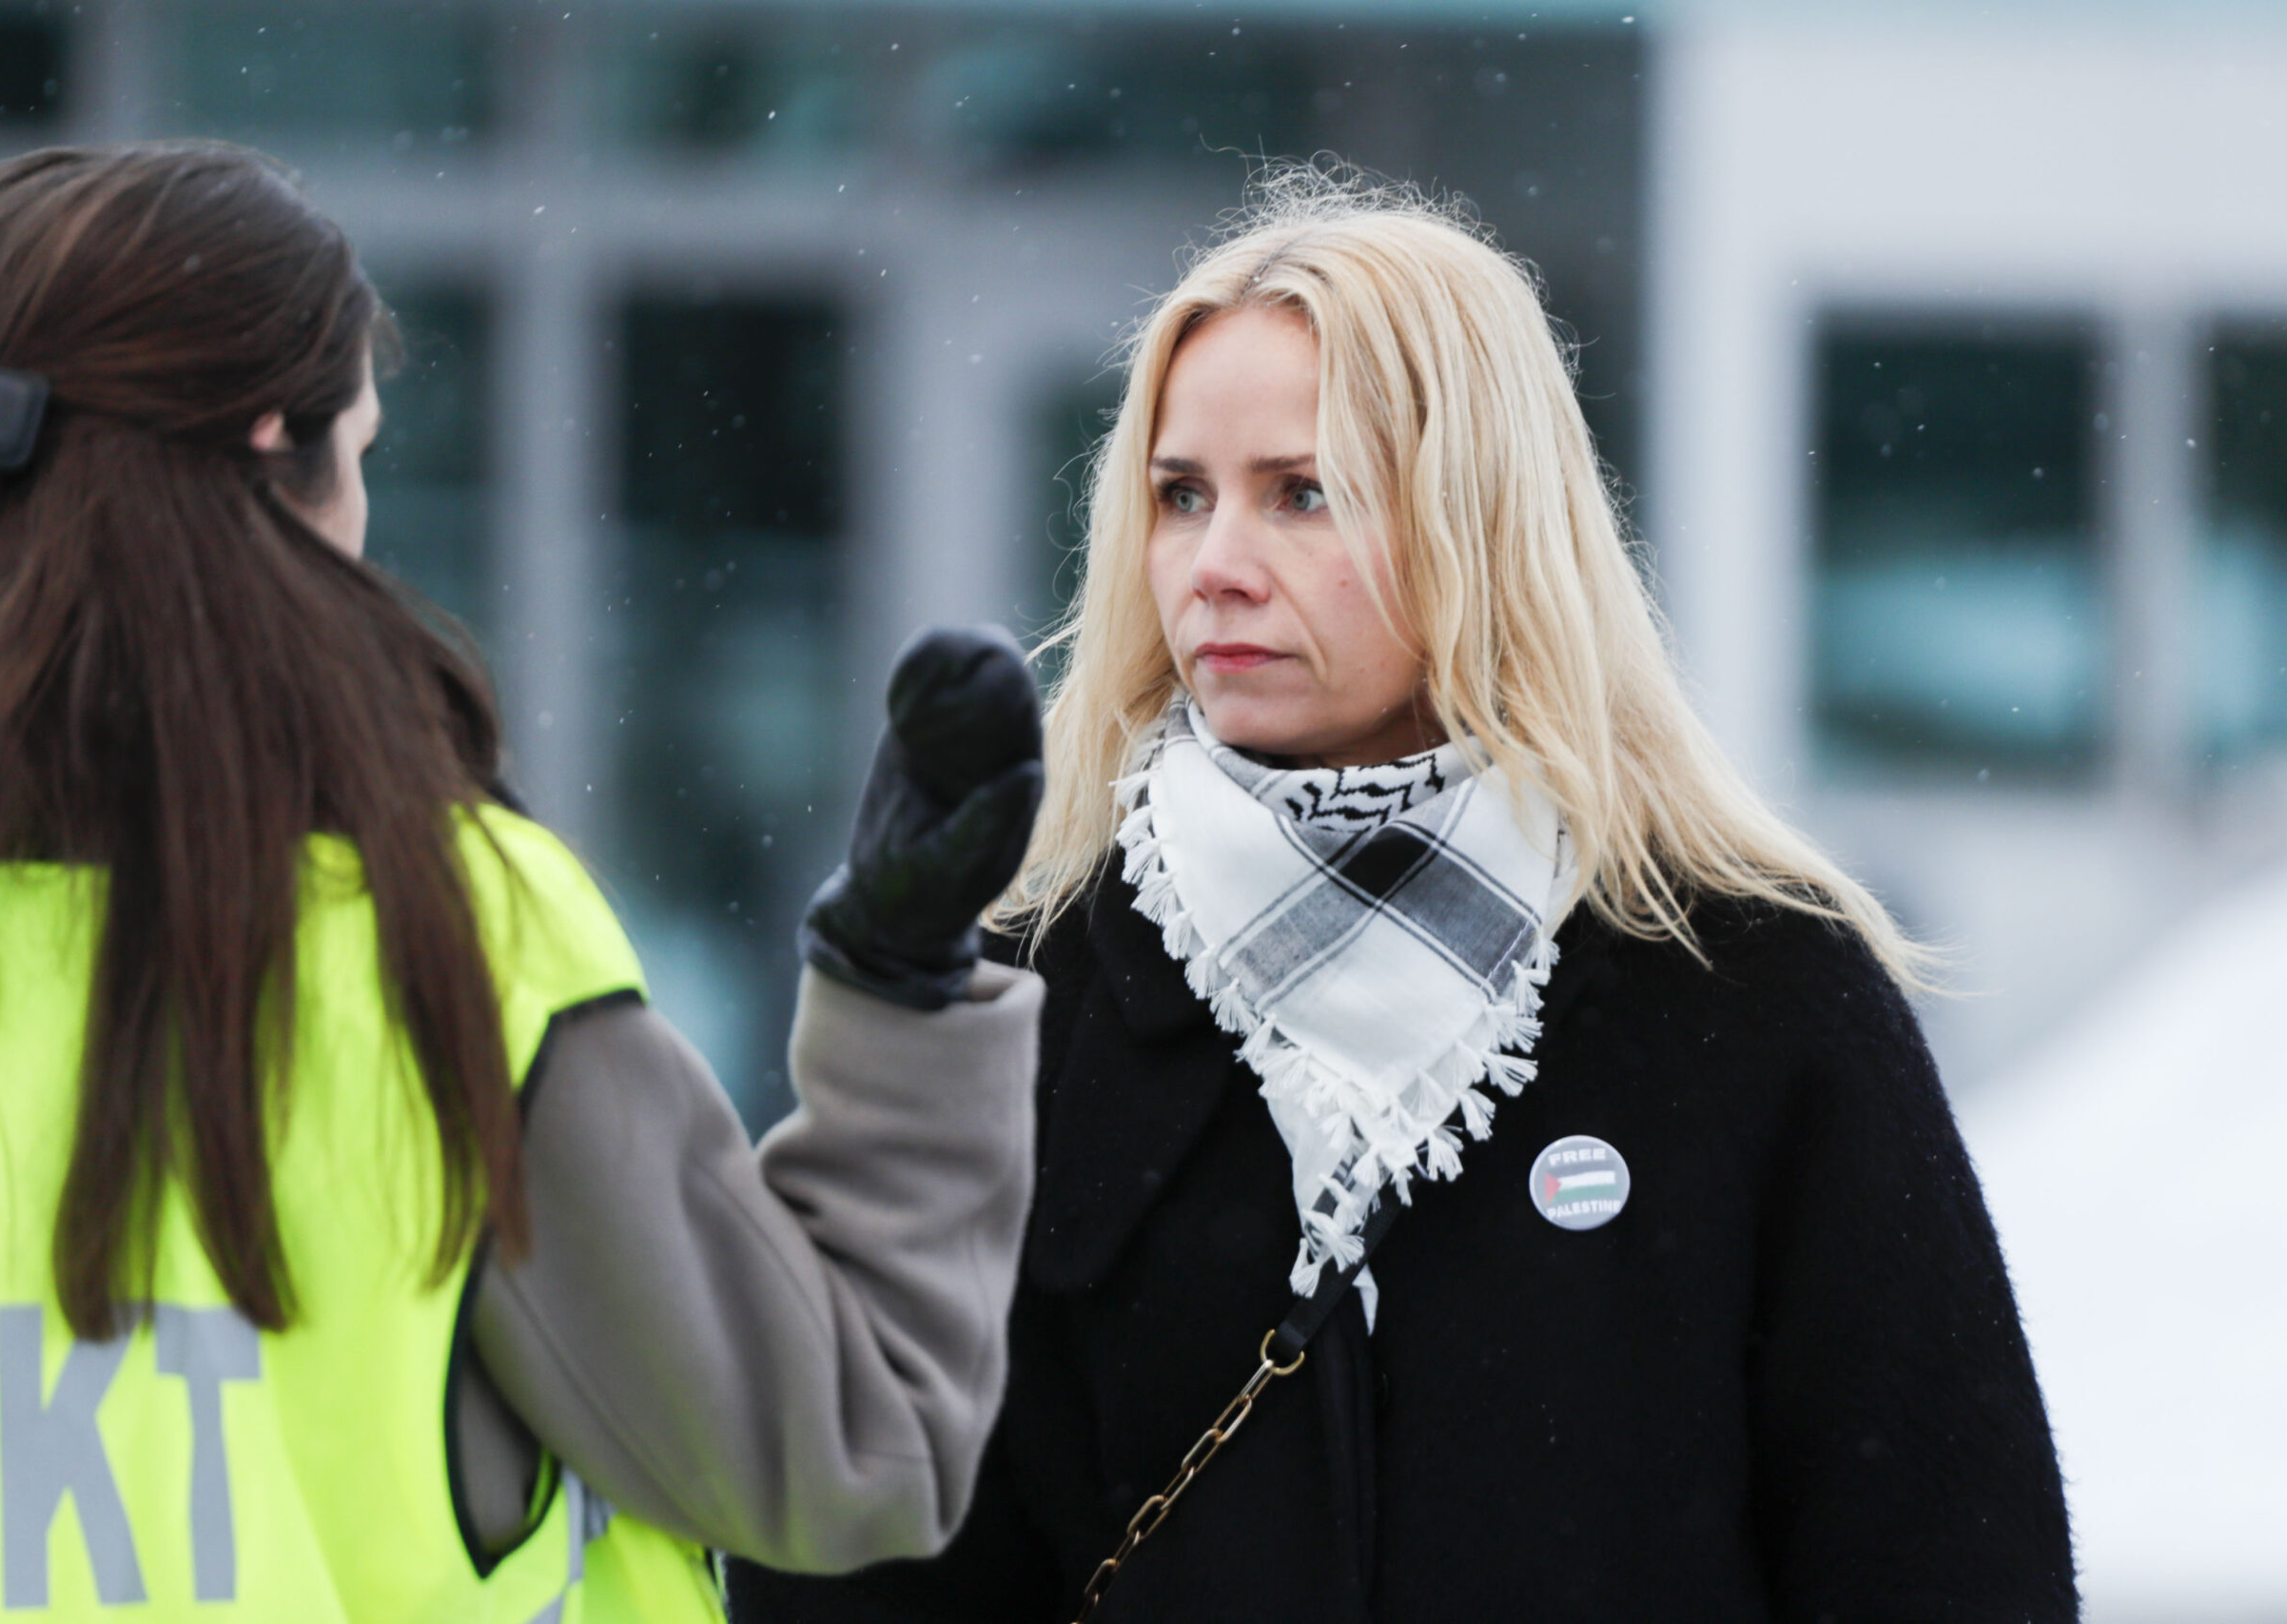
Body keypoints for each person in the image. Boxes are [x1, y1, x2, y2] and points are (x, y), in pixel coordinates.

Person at [727, 167, 2076, 1623]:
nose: (1217, 568)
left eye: (1304, 495)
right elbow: (847, 1555)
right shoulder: (1028, 999)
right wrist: (884, 1020)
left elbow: (1948, 1559)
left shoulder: (1746, 987)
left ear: (1475, 521)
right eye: (1182, 497)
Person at [0, 142, 1047, 1622]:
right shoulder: (432, 948)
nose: (363, 521)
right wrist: (900, 986)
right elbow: (848, 1447)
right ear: (271, 456)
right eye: (357, 453)